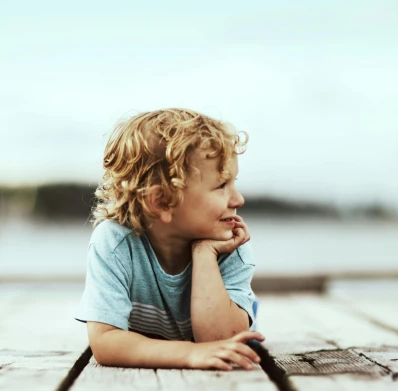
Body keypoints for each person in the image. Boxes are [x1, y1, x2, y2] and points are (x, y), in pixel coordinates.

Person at [75, 108, 265, 371]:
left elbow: (221, 342)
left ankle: (247, 306)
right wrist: (188, 354)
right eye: (221, 186)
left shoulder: (231, 243)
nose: (238, 200)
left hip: (229, 319)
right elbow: (105, 342)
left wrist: (204, 254)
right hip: (176, 342)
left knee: (247, 315)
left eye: (234, 183)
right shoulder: (114, 242)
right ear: (161, 201)